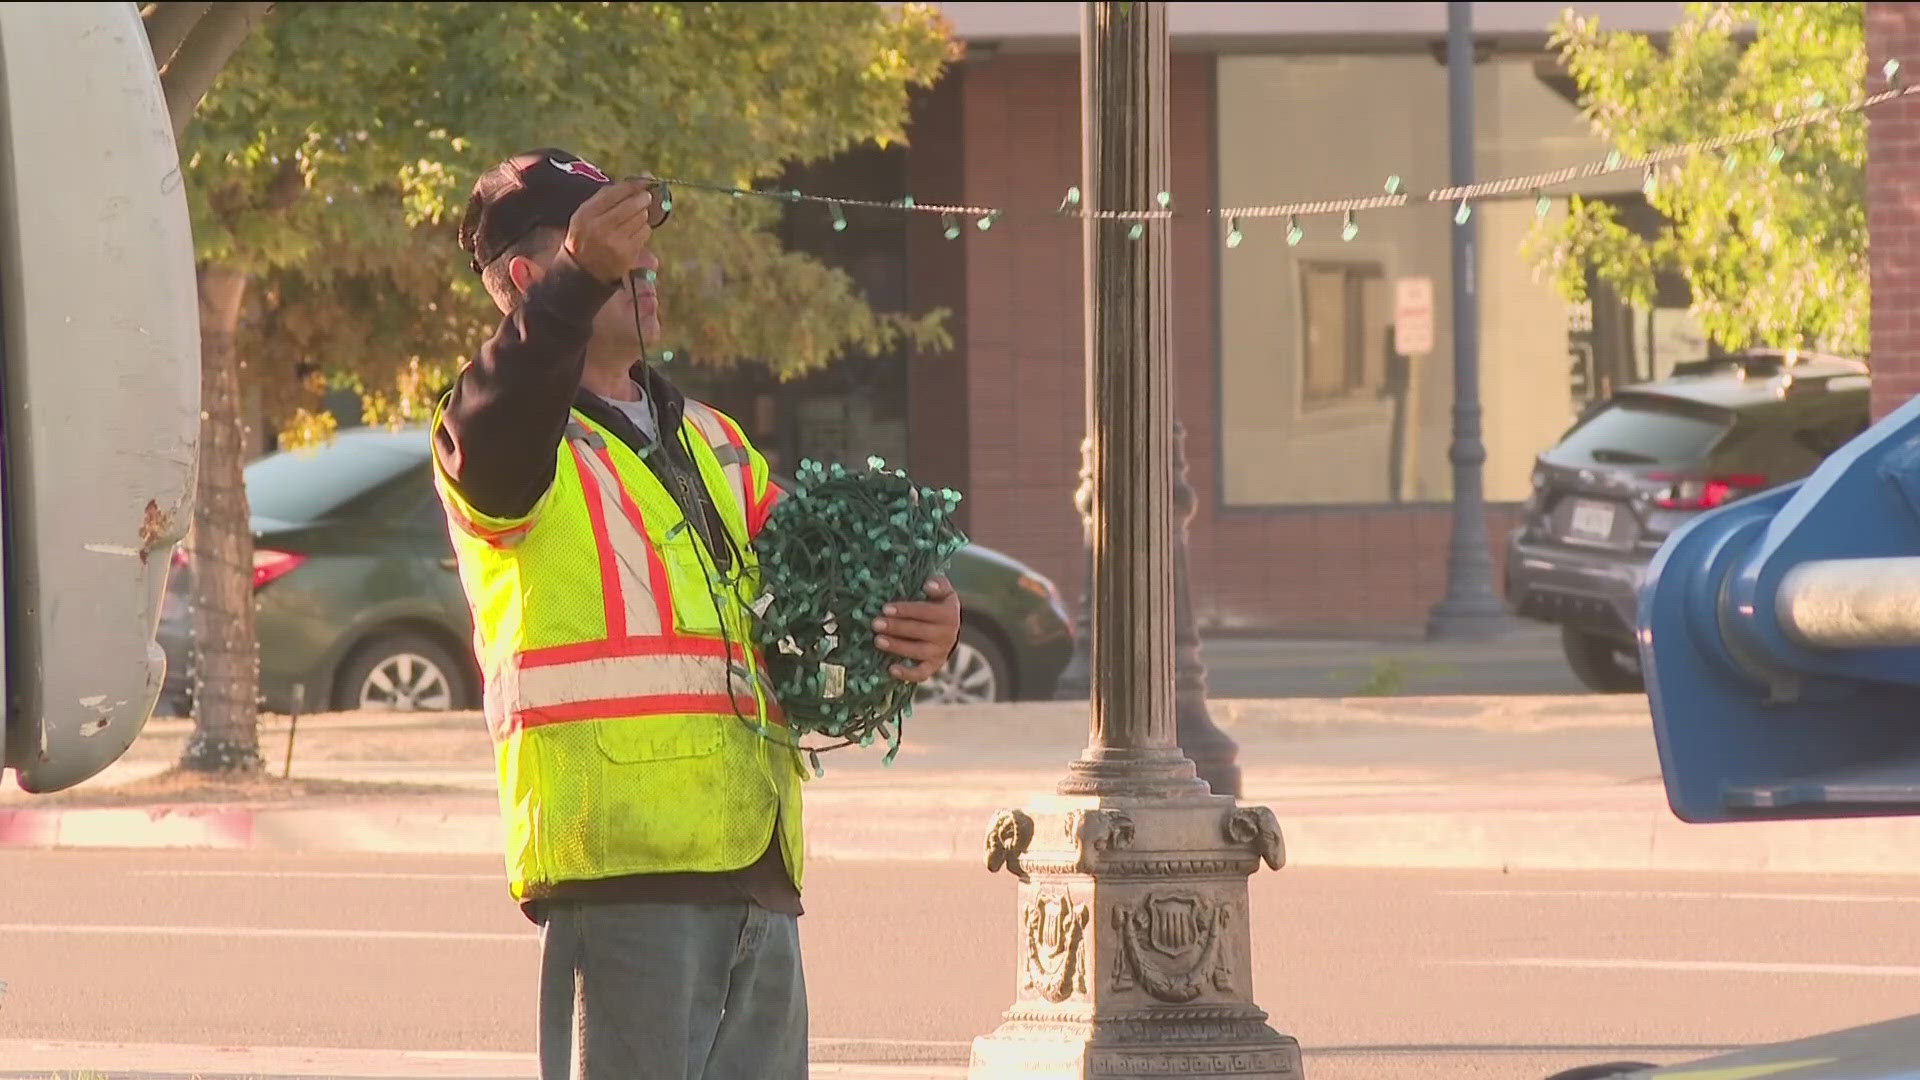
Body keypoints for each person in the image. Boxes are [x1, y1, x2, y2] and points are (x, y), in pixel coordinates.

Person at [434, 148, 962, 1080]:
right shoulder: (504, 434)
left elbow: (826, 584)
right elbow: (493, 425)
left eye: (646, 244)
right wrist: (576, 282)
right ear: (530, 275)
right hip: (623, 870)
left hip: (756, 866)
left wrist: (920, 620)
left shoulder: (714, 436)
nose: (647, 265)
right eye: (611, 246)